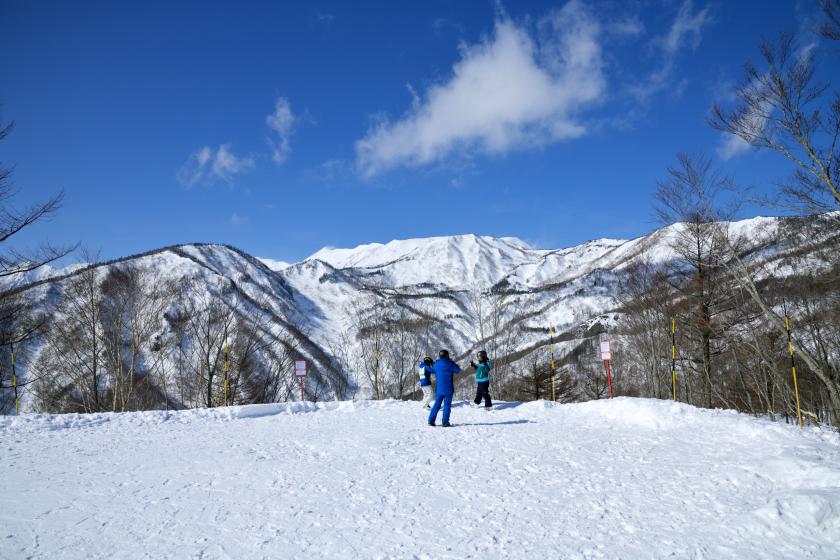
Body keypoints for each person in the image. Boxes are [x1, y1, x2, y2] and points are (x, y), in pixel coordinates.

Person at [428, 349, 462, 427]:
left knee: (436, 405)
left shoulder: (436, 364)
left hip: (439, 389)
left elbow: (431, 370)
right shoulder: (450, 364)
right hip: (448, 389)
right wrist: (453, 362)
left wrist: (433, 363)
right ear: (447, 356)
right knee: (447, 405)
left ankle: (431, 420)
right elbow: (458, 370)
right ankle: (445, 422)